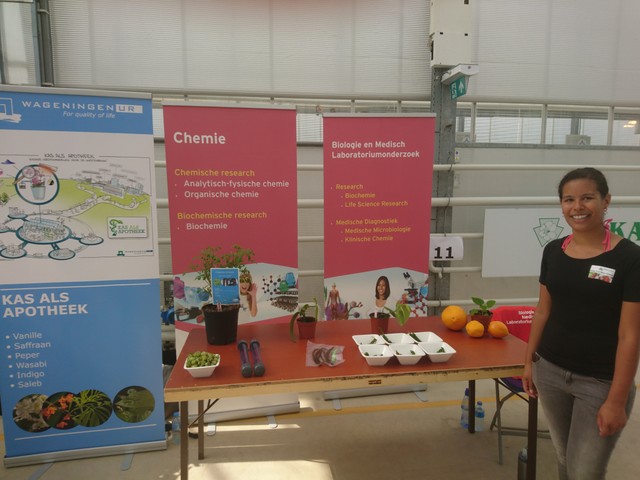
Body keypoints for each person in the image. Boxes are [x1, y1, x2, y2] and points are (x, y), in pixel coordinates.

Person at [522, 167, 640, 480]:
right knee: (564, 458)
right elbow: (543, 310)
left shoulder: (630, 258)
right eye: (569, 200)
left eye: (587, 198)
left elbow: (630, 336)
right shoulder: (553, 251)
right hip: (550, 371)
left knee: (585, 471)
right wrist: (529, 362)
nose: (577, 207)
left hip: (600, 381)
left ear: (606, 200)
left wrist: (617, 400)